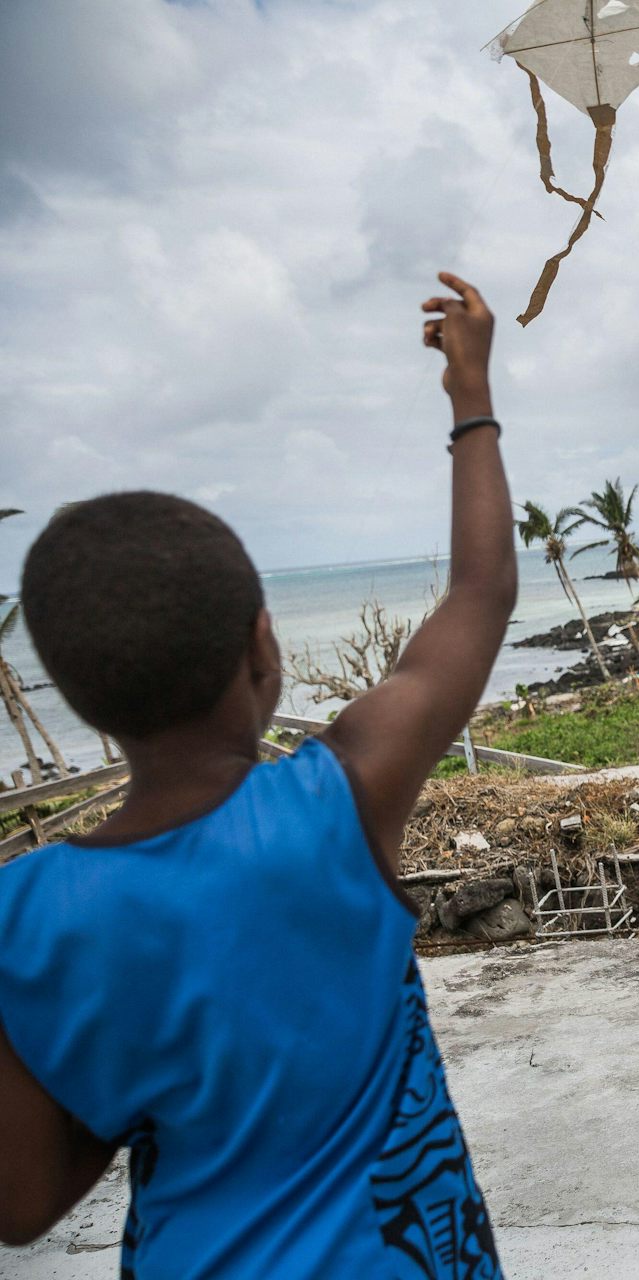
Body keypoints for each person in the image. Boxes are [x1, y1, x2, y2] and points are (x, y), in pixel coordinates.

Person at [0, 273, 513, 1273]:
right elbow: (482, 593)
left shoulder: (22, 913)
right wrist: (470, 397)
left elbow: (21, 1204)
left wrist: (140, 1051)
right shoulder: (336, 801)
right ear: (263, 649)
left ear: (74, 694)